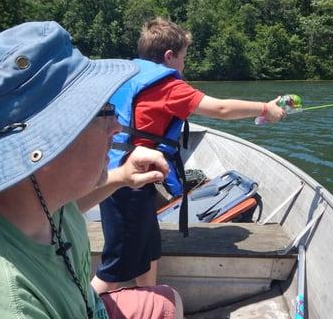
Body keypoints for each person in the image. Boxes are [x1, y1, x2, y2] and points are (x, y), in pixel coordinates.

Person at [0, 21, 184, 319]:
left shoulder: (17, 188)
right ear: (47, 141)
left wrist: (121, 178)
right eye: (104, 110)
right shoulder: (7, 305)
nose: (118, 126)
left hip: (83, 306)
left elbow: (58, 208)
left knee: (166, 301)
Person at [91, 17, 287, 294]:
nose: (184, 65)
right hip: (128, 183)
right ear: (170, 56)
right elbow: (220, 109)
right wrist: (265, 108)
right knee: (117, 267)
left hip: (124, 173)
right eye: (183, 58)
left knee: (149, 251)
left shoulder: (128, 74)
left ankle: (152, 302)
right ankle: (81, 307)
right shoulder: (168, 87)